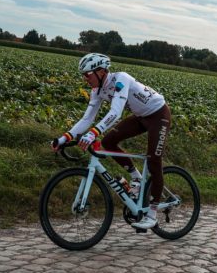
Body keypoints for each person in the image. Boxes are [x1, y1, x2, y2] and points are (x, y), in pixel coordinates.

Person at [51, 53, 171, 230]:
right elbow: (87, 118)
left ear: (100, 71)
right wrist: (63, 138)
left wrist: (92, 134)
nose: (85, 78)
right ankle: (137, 178)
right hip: (140, 116)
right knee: (108, 142)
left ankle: (152, 214)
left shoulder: (121, 80)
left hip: (158, 115)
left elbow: (115, 113)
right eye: (83, 75)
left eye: (87, 74)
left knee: (153, 159)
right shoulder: (97, 90)